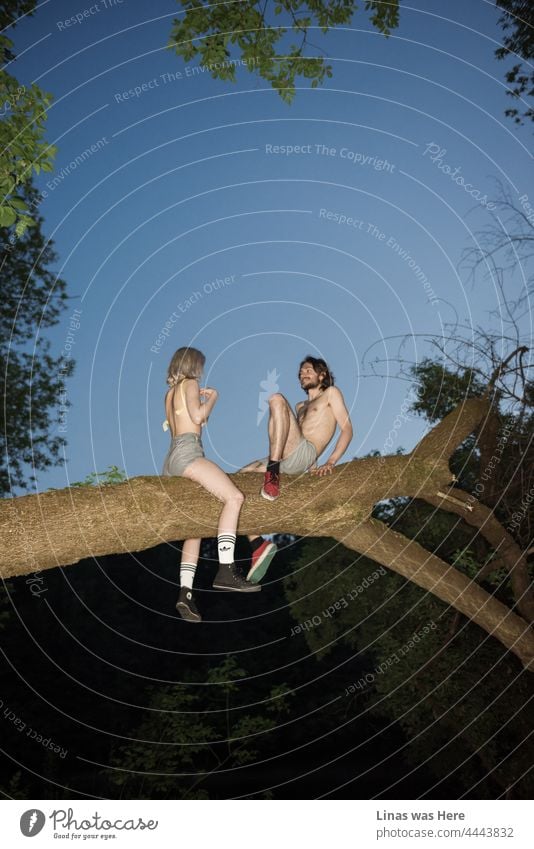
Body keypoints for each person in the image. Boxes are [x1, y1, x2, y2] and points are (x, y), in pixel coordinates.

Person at [161, 346, 260, 623]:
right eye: (200, 366)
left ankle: (186, 593)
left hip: (170, 460)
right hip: (188, 454)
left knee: (195, 528)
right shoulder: (191, 383)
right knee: (234, 497)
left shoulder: (169, 394)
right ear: (193, 365)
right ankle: (226, 570)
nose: (201, 372)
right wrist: (213, 397)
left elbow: (177, 422)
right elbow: (198, 417)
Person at [240, 356, 354, 584]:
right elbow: (294, 434)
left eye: (308, 370)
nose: (303, 374)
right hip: (287, 459)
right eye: (301, 372)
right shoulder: (301, 407)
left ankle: (272, 475)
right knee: (235, 481)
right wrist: (311, 470)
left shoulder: (331, 393)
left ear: (321, 375)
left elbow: (347, 429)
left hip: (302, 454)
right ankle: (257, 544)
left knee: (276, 399)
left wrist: (330, 461)